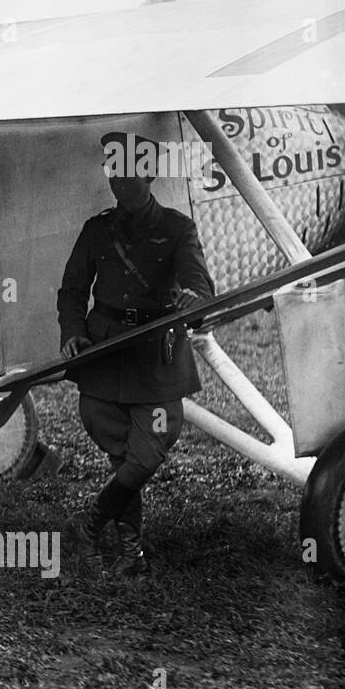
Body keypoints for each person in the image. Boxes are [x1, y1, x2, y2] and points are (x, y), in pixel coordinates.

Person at [57, 131, 215, 576]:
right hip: (104, 351)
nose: (120, 186)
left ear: (148, 175)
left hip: (155, 354)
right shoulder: (96, 229)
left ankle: (89, 526)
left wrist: (192, 301)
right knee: (121, 456)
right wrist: (72, 332)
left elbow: (202, 289)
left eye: (128, 177)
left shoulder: (177, 228)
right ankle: (130, 552)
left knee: (147, 453)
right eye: (114, 177)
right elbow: (71, 290)